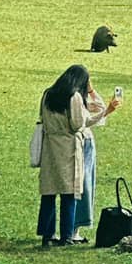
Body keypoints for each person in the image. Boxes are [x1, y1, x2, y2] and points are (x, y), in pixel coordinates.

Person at [36, 66, 117, 248]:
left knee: (49, 192)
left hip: (50, 147)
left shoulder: (48, 94)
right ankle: (67, 235)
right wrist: (106, 112)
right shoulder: (74, 97)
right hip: (68, 148)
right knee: (69, 192)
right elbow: (79, 124)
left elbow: (42, 116)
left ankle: (47, 234)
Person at [71, 76, 117, 243]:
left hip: (81, 145)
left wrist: (90, 92)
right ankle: (73, 230)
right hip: (82, 144)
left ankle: (72, 229)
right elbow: (94, 115)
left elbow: (98, 108)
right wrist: (91, 92)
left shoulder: (73, 99)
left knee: (82, 186)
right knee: (82, 186)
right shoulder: (76, 101)